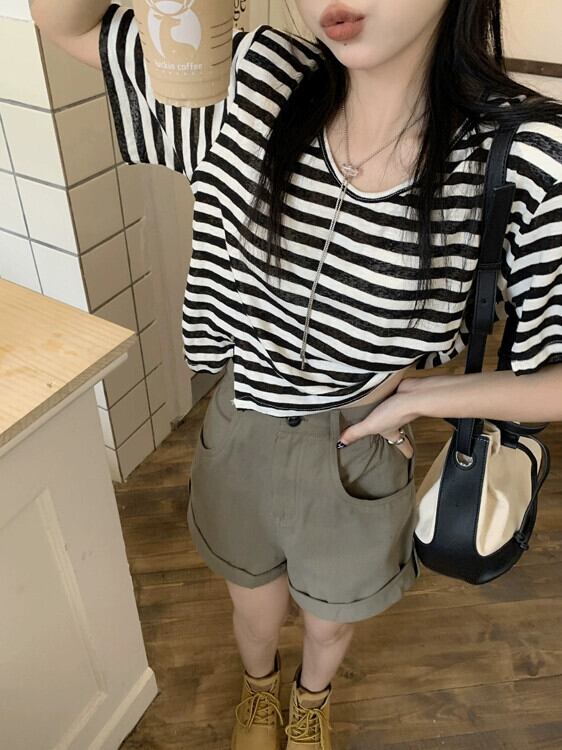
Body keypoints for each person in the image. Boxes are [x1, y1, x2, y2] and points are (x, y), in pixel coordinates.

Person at [32, 1, 562, 748]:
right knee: (252, 606)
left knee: (330, 620)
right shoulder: (251, 82)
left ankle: (311, 703)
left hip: (362, 442)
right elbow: (66, 25)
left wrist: (426, 396)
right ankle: (259, 693)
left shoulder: (524, 154)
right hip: (242, 423)